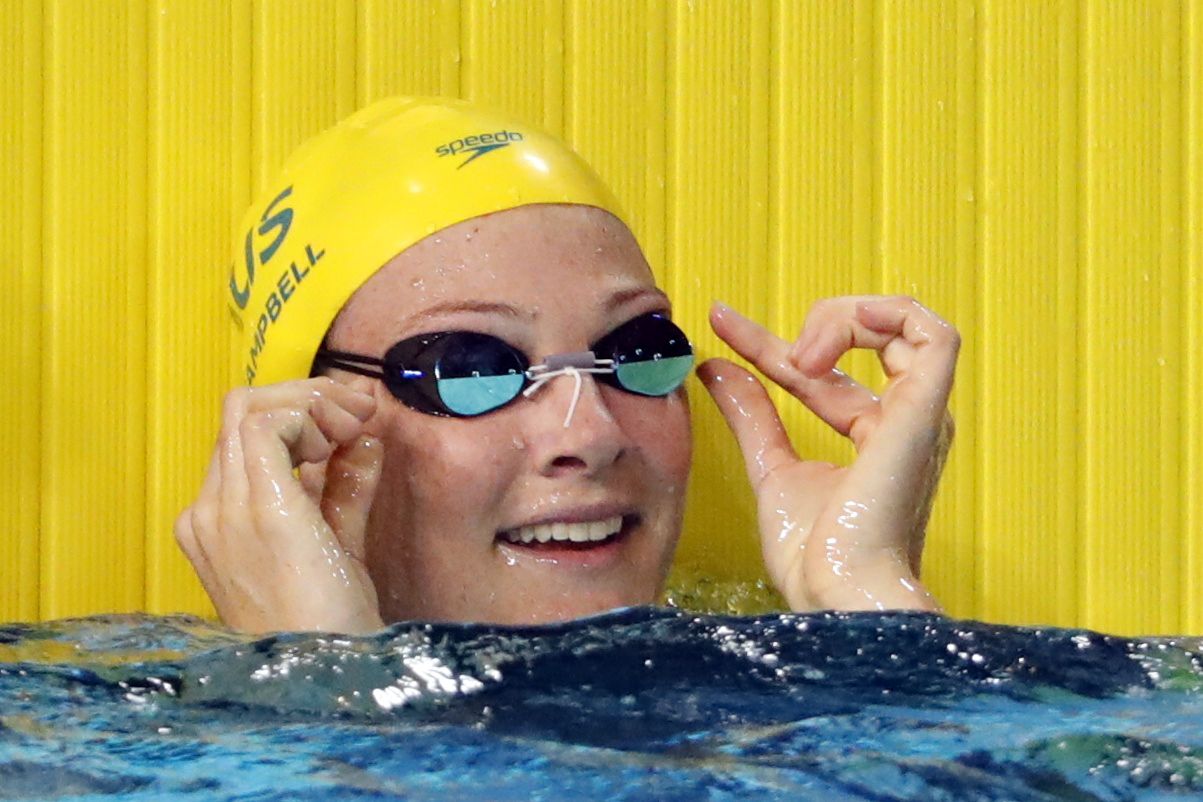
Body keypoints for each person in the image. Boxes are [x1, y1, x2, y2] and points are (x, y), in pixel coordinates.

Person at [175, 97, 959, 634]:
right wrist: (310, 678)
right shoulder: (117, 721)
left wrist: (864, 595)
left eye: (634, 350)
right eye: (470, 367)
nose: (588, 431)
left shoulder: (773, 693)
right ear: (311, 439)